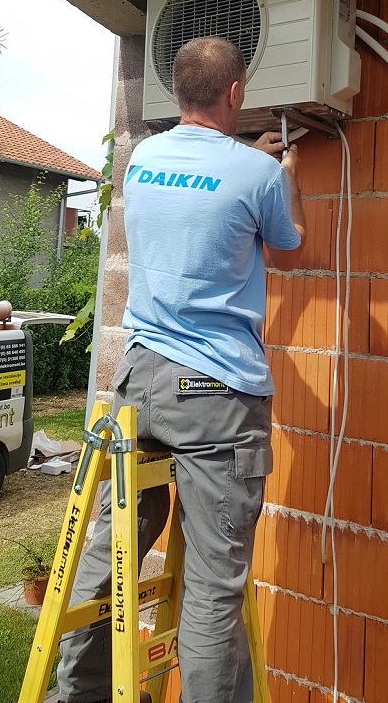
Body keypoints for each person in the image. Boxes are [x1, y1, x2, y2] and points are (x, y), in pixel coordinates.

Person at [57, 35, 306, 703]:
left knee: (113, 549)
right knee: (213, 593)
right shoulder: (257, 175)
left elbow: (202, 184)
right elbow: (290, 246)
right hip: (216, 397)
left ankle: (76, 693)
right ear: (236, 92)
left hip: (139, 384)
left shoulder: (143, 158)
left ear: (176, 92)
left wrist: (243, 160)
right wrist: (283, 174)